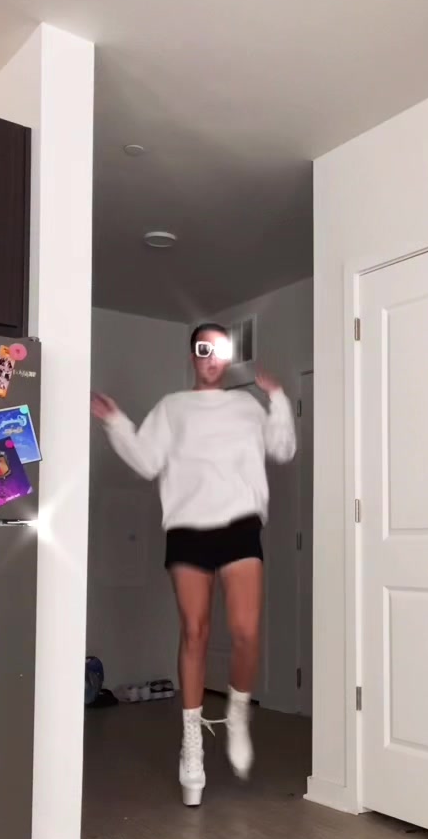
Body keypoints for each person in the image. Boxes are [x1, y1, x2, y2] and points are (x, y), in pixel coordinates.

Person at [91, 324, 296, 806]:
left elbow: (283, 449)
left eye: (219, 350)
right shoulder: (172, 407)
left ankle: (237, 715)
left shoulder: (247, 406)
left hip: (240, 525)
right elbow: (146, 461)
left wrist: (279, 398)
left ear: (227, 357)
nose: (211, 357)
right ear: (192, 356)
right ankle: (192, 745)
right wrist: (115, 421)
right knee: (195, 632)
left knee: (245, 632)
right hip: (187, 529)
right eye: (203, 349)